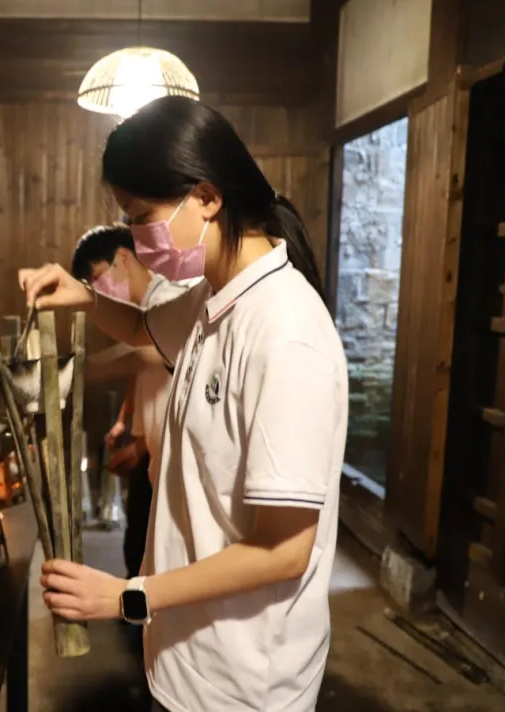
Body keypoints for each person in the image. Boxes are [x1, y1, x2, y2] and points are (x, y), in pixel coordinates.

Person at [19, 96, 348, 712]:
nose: (139, 240)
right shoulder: (214, 297)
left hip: (244, 683)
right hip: (186, 658)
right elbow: (143, 326)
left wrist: (126, 596)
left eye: (141, 217)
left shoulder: (286, 333)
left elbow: (285, 550)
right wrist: (83, 296)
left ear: (207, 196)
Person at [71, 223, 190, 583]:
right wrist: (126, 419)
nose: (100, 291)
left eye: (98, 278)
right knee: (138, 550)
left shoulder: (170, 298)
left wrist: (81, 371)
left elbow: (151, 354)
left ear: (123, 258)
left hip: (175, 463)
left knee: (156, 561)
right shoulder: (144, 309)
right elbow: (144, 372)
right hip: (154, 455)